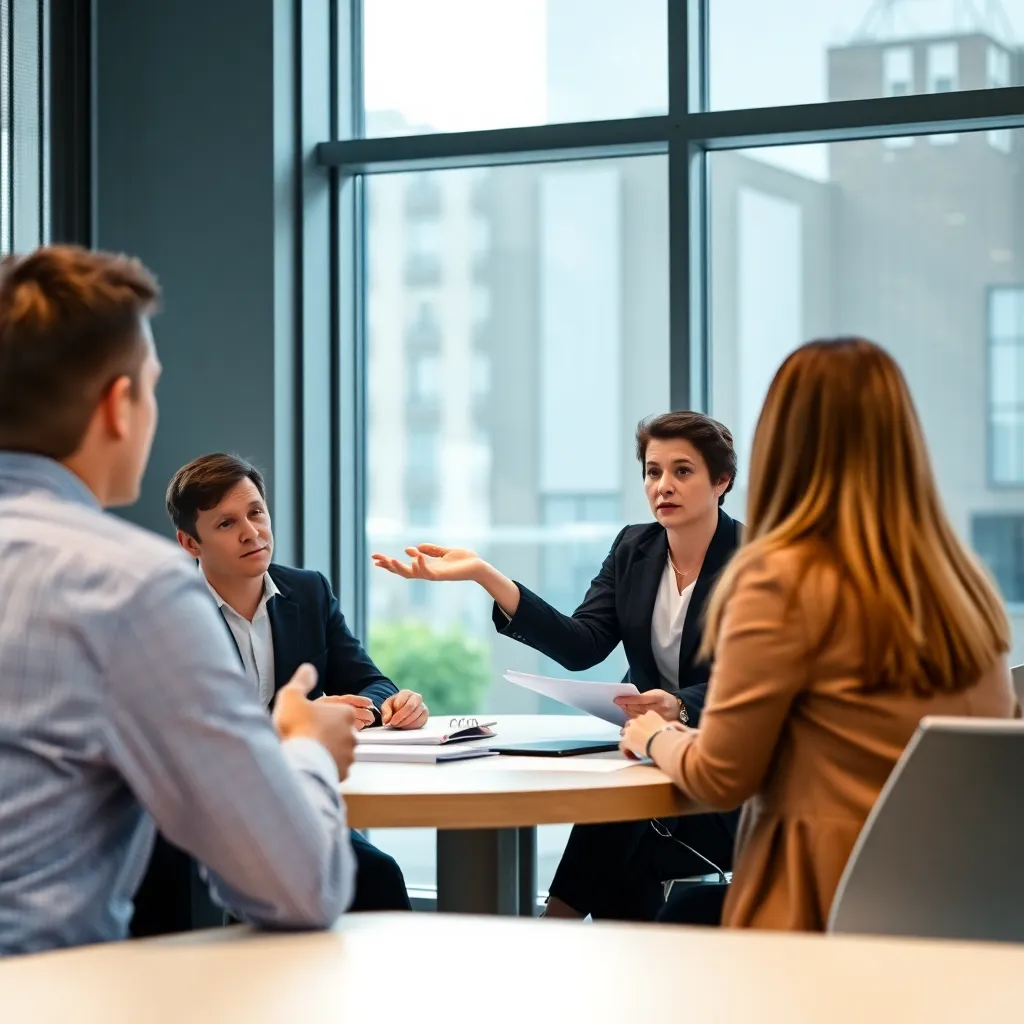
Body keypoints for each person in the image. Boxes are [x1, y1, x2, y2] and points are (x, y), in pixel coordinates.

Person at [0, 245, 358, 955]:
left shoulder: (293, 591)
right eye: (151, 387)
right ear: (118, 406)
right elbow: (299, 884)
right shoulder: (130, 586)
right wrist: (306, 750)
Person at [621, 337, 1020, 931]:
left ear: (784, 443)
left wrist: (655, 736)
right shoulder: (961, 588)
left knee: (661, 928)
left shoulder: (781, 579)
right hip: (965, 922)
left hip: (820, 918)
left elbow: (720, 777)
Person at [374, 411, 741, 921]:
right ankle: (579, 937)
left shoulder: (752, 561)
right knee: (620, 825)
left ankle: (558, 921)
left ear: (721, 481)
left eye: (682, 471)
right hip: (652, 761)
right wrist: (485, 575)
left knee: (618, 822)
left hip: (725, 773)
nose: (663, 486)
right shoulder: (635, 547)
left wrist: (681, 704)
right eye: (652, 472)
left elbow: (751, 682)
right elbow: (582, 645)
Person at [131, 453, 422, 934]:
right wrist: (296, 724)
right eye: (226, 523)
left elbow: (369, 680)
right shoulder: (165, 612)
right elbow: (174, 734)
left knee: (376, 874)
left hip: (284, 801)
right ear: (190, 543)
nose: (252, 532)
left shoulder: (307, 591)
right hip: (195, 809)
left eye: (256, 512)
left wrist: (380, 705)